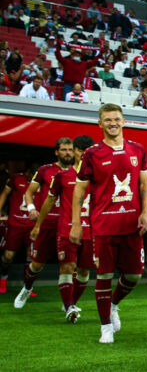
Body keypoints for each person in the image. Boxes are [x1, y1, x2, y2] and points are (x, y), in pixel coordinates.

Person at [71, 104, 147, 344]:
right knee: (104, 275)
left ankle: (113, 304)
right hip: (103, 224)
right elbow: (79, 191)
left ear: (123, 121)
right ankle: (105, 327)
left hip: (131, 224)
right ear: (100, 124)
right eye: (107, 120)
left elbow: (144, 185)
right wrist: (76, 223)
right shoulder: (91, 154)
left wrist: (145, 212)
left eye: (116, 119)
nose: (112, 123)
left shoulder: (138, 149)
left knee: (134, 275)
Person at [32, 135, 95, 322]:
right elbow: (50, 200)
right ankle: (69, 308)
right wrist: (38, 225)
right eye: (81, 151)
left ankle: (71, 302)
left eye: (87, 152)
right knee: (67, 267)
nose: (84, 155)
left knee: (84, 272)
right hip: (66, 229)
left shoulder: (98, 176)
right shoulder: (61, 176)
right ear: (75, 152)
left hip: (90, 231)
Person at [12, 138, 74, 309]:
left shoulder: (78, 172)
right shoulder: (45, 170)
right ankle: (27, 288)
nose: (67, 153)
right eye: (64, 150)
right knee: (37, 264)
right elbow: (29, 192)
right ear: (56, 152)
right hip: (46, 223)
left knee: (69, 266)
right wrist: (31, 209)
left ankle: (69, 304)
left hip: (67, 224)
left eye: (70, 149)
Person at [0, 167, 35, 296]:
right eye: (32, 174)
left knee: (31, 256)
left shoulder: (43, 181)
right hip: (15, 223)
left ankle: (27, 287)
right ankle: (3, 278)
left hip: (32, 225)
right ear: (28, 172)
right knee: (8, 256)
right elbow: (5, 193)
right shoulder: (16, 179)